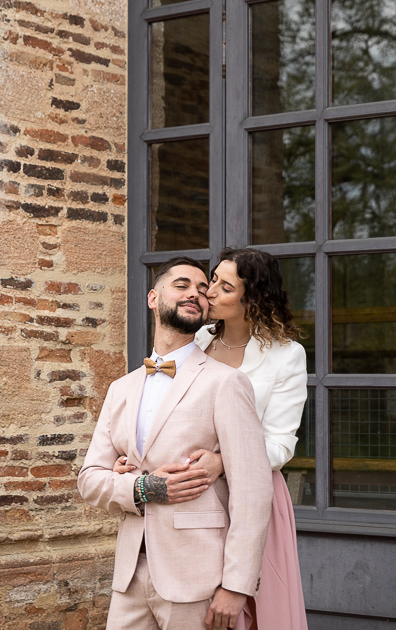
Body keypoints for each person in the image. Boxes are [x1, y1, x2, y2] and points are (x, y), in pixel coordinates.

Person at [114, 248, 308, 629]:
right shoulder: (195, 338)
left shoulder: (287, 356)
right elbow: (161, 412)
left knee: (248, 612)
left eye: (224, 286)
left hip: (248, 491)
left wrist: (223, 461)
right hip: (186, 497)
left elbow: (282, 442)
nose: (210, 292)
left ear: (251, 299)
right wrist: (134, 460)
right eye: (212, 280)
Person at [78, 256, 273, 630]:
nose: (194, 295)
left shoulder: (226, 383)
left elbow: (253, 490)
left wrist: (236, 586)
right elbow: (89, 479)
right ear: (153, 298)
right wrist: (142, 487)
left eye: (203, 290)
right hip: (130, 577)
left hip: (199, 578)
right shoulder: (121, 389)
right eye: (181, 285)